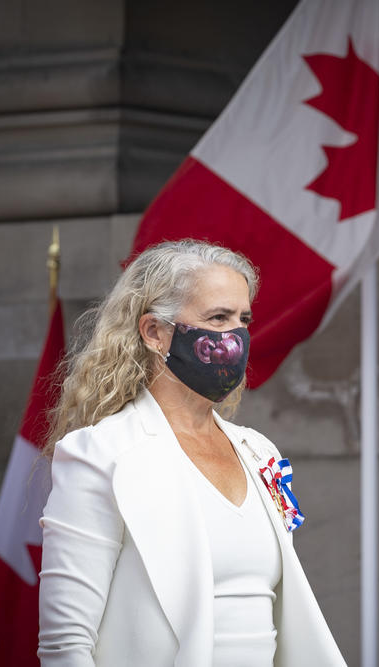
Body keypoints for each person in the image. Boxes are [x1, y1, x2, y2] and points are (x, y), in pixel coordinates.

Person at [37, 240, 345, 667]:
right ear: (154, 332)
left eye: (244, 319)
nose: (235, 336)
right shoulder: (99, 454)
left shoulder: (259, 453)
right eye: (218, 317)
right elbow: (65, 644)